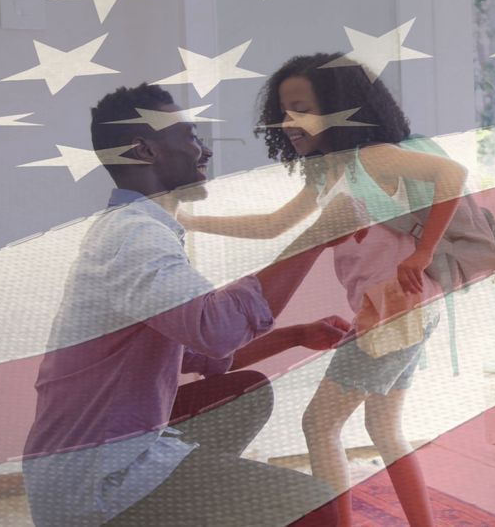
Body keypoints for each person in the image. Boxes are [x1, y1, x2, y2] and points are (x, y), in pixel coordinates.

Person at [22, 83, 346, 526]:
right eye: (190, 136)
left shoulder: (135, 229)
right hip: (95, 484)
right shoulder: (134, 237)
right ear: (145, 151)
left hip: (86, 462)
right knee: (318, 504)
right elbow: (217, 329)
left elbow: (201, 353)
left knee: (245, 393)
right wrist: (318, 236)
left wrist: (295, 336)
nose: (205, 151)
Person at [180, 53, 468, 526]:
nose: (287, 120)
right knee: (382, 425)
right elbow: (274, 225)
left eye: (300, 108)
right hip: (407, 308)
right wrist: (193, 220)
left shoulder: (371, 156)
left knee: (319, 424)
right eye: (282, 110)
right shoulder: (331, 169)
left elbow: (451, 174)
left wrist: (421, 254)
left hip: (394, 309)